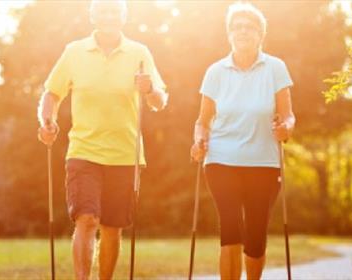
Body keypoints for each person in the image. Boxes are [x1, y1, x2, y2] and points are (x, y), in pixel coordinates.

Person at [37, 1, 168, 279]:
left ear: (123, 17)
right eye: (103, 11)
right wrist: (47, 120)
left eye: (114, 11)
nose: (109, 16)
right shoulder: (74, 52)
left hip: (124, 153)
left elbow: (159, 101)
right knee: (86, 219)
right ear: (93, 16)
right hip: (84, 151)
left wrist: (150, 89)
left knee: (112, 227)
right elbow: (51, 93)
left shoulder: (139, 53)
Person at [190, 2, 295, 279]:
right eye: (237, 27)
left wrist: (286, 128)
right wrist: (199, 140)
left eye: (249, 27)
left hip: (264, 161)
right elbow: (202, 122)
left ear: (260, 34)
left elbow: (289, 116)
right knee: (231, 229)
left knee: (256, 235)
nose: (243, 32)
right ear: (229, 34)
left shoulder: (276, 68)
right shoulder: (215, 72)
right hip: (221, 160)